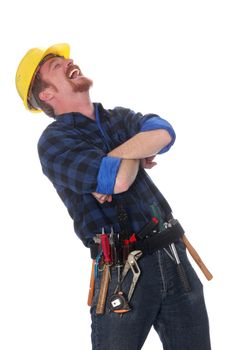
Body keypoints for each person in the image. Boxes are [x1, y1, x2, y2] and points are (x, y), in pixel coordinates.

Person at [15, 43, 211, 350]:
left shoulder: (116, 117)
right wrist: (137, 148)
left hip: (174, 257)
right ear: (47, 95)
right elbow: (119, 180)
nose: (69, 62)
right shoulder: (54, 143)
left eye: (67, 59)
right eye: (56, 66)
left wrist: (116, 156)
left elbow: (164, 133)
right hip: (121, 274)